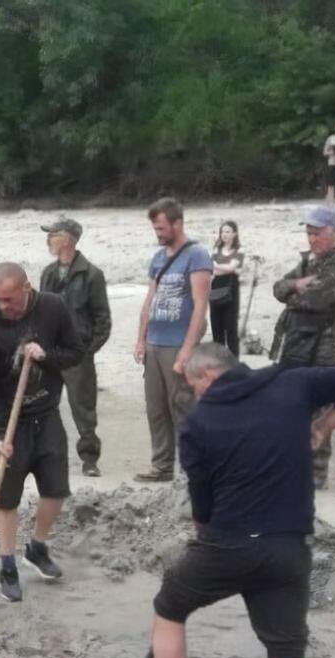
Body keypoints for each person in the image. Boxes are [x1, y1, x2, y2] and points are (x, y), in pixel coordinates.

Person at [129, 342, 335, 658]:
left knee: (170, 606)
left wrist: (204, 535)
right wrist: (324, 427)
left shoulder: (199, 422)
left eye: (194, 386)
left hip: (227, 545)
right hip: (288, 549)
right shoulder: (293, 383)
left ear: (207, 376)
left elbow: (202, 503)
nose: (195, 394)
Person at [0, 263, 84, 602]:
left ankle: (37, 547)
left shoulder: (52, 307)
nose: (2, 305)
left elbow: (75, 352)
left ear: (27, 287)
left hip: (46, 415)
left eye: (8, 298)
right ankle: (7, 565)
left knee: (56, 489)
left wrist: (45, 355)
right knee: (5, 498)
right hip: (9, 423)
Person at [269, 205, 335, 489]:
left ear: (333, 232)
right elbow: (277, 288)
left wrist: (293, 292)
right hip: (300, 339)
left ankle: (316, 471)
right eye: (309, 233)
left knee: (321, 404)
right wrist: (297, 284)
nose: (312, 239)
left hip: (328, 342)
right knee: (296, 400)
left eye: (317, 233)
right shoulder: (310, 261)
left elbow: (316, 300)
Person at [133, 198, 212, 483]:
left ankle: (193, 467)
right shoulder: (158, 258)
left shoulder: (197, 256)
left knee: (182, 406)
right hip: (154, 342)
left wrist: (187, 350)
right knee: (156, 409)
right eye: (155, 228)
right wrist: (140, 339)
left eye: (161, 228)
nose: (158, 233)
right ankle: (161, 465)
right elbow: (150, 299)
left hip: (178, 343)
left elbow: (200, 306)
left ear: (177, 224)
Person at [39, 217, 112, 477]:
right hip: (51, 352)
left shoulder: (92, 274)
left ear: (67, 239)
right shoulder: (48, 273)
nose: (48, 240)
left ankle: (90, 459)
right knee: (42, 404)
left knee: (83, 409)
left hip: (77, 354)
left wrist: (86, 351)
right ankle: (45, 456)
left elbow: (103, 319)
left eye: (53, 235)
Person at [208, 221, 243, 357]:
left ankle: (234, 361)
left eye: (228, 232)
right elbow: (212, 269)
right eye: (223, 232)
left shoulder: (239, 250)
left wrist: (217, 266)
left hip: (231, 288)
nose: (225, 235)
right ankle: (219, 361)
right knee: (216, 326)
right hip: (216, 287)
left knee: (231, 327)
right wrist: (225, 269)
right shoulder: (216, 249)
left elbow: (232, 267)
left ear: (234, 233)